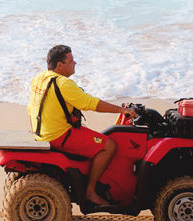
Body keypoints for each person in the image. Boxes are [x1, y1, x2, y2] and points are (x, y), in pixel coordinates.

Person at [27, 45, 135, 205]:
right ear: (59, 65)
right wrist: (121, 110)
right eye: (71, 60)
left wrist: (38, 129)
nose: (75, 63)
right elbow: (89, 103)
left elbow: (32, 108)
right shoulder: (63, 83)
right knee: (108, 145)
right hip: (59, 135)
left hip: (43, 131)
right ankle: (90, 191)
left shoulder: (38, 78)